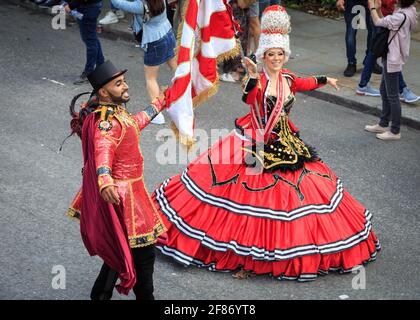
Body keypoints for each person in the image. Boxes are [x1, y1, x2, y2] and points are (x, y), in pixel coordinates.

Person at [152, 6, 380, 281]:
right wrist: (249, 77)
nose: (275, 59)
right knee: (249, 197)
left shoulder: (288, 78)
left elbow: (305, 83)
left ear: (285, 55)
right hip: (257, 144)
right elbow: (249, 100)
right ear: (263, 56)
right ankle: (245, 251)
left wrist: (325, 79)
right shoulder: (257, 81)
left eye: (280, 54)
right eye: (270, 54)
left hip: (286, 143)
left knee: (300, 193)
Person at [67, 61, 167, 299]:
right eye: (119, 84)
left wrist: (160, 102)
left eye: (123, 81)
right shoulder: (107, 122)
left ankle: (100, 296)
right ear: (103, 92)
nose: (126, 87)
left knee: (119, 251)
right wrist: (105, 181)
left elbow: (136, 123)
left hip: (128, 194)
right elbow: (103, 150)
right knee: (143, 255)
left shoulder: (117, 114)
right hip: (125, 197)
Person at [111, 0, 177, 125]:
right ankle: (184, 99)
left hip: (155, 41)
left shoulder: (140, 6)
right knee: (176, 69)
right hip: (168, 33)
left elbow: (118, 3)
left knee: (151, 78)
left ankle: (156, 113)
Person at [364, 0, 418, 140]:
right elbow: (386, 22)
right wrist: (379, 9)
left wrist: (372, 8)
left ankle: (395, 131)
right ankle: (383, 123)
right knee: (384, 90)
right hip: (391, 54)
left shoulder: (400, 16)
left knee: (393, 96)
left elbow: (377, 22)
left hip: (393, 58)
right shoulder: (410, 11)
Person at [357, 0, 419, 103]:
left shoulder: (407, 12)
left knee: (382, 55)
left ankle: (364, 85)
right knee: (382, 54)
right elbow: (377, 19)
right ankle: (402, 90)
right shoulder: (405, 12)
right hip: (383, 18)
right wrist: (374, 7)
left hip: (389, 18)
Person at [336, 0, 383, 77]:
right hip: (351, 4)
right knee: (350, 33)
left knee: (373, 32)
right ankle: (351, 63)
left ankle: (370, 61)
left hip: (369, 3)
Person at [63, 1, 106, 85]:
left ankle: (88, 73)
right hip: (93, 6)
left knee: (90, 40)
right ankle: (101, 66)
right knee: (92, 38)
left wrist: (71, 5)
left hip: (87, 8)